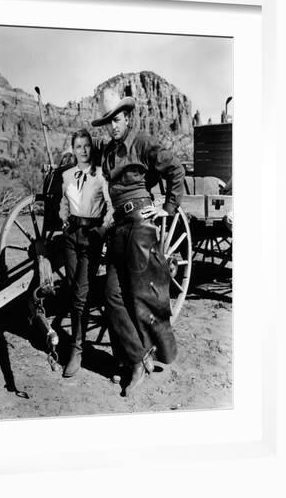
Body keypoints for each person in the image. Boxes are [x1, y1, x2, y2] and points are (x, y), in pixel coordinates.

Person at [91, 89, 185, 396]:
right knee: (111, 295)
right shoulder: (107, 153)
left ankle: (141, 362)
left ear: (127, 117)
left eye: (117, 120)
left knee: (142, 297)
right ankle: (137, 358)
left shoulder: (142, 141)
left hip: (140, 226)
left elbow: (174, 169)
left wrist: (167, 208)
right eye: (108, 122)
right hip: (118, 228)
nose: (113, 126)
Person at [59, 129, 113, 378]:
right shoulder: (67, 175)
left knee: (80, 294)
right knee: (71, 289)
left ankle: (76, 350)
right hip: (71, 236)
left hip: (90, 237)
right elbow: (63, 203)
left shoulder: (101, 175)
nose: (82, 150)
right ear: (73, 149)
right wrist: (63, 220)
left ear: (91, 149)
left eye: (86, 146)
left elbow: (111, 208)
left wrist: (101, 230)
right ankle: (76, 343)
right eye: (78, 146)